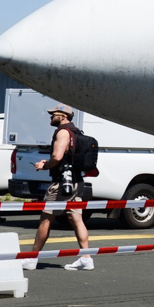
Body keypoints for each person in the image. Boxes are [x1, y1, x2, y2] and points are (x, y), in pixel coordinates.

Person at [31, 104, 92, 268]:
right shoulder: (76, 132)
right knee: (76, 219)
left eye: (54, 114)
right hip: (76, 181)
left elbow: (57, 157)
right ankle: (86, 258)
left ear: (63, 116)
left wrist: (44, 165)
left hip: (61, 183)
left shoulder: (63, 132)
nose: (51, 116)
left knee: (46, 219)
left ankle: (31, 258)